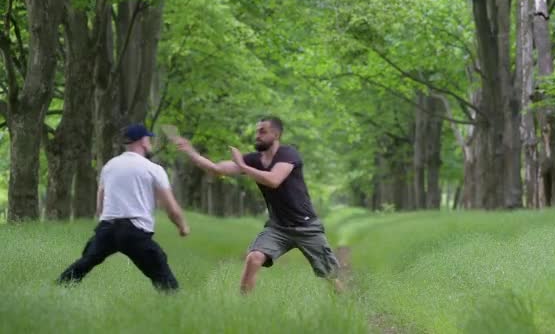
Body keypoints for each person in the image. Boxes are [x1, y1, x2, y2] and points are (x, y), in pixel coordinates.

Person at [174, 116, 343, 294]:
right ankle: (244, 306)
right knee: (254, 258)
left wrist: (242, 166)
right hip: (278, 228)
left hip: (306, 227)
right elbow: (217, 169)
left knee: (330, 275)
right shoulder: (253, 160)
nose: (257, 135)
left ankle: (345, 304)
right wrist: (191, 152)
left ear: (276, 134)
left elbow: (274, 180)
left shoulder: (288, 154)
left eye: (263, 131)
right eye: (257, 131)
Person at [57, 124, 190, 292]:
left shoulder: (109, 166)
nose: (150, 142)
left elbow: (100, 205)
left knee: (84, 263)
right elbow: (171, 208)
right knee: (163, 276)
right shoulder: (153, 169)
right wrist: (183, 227)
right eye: (148, 138)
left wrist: (103, 225)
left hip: (107, 229)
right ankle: (176, 305)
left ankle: (56, 289)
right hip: (135, 232)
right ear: (142, 141)